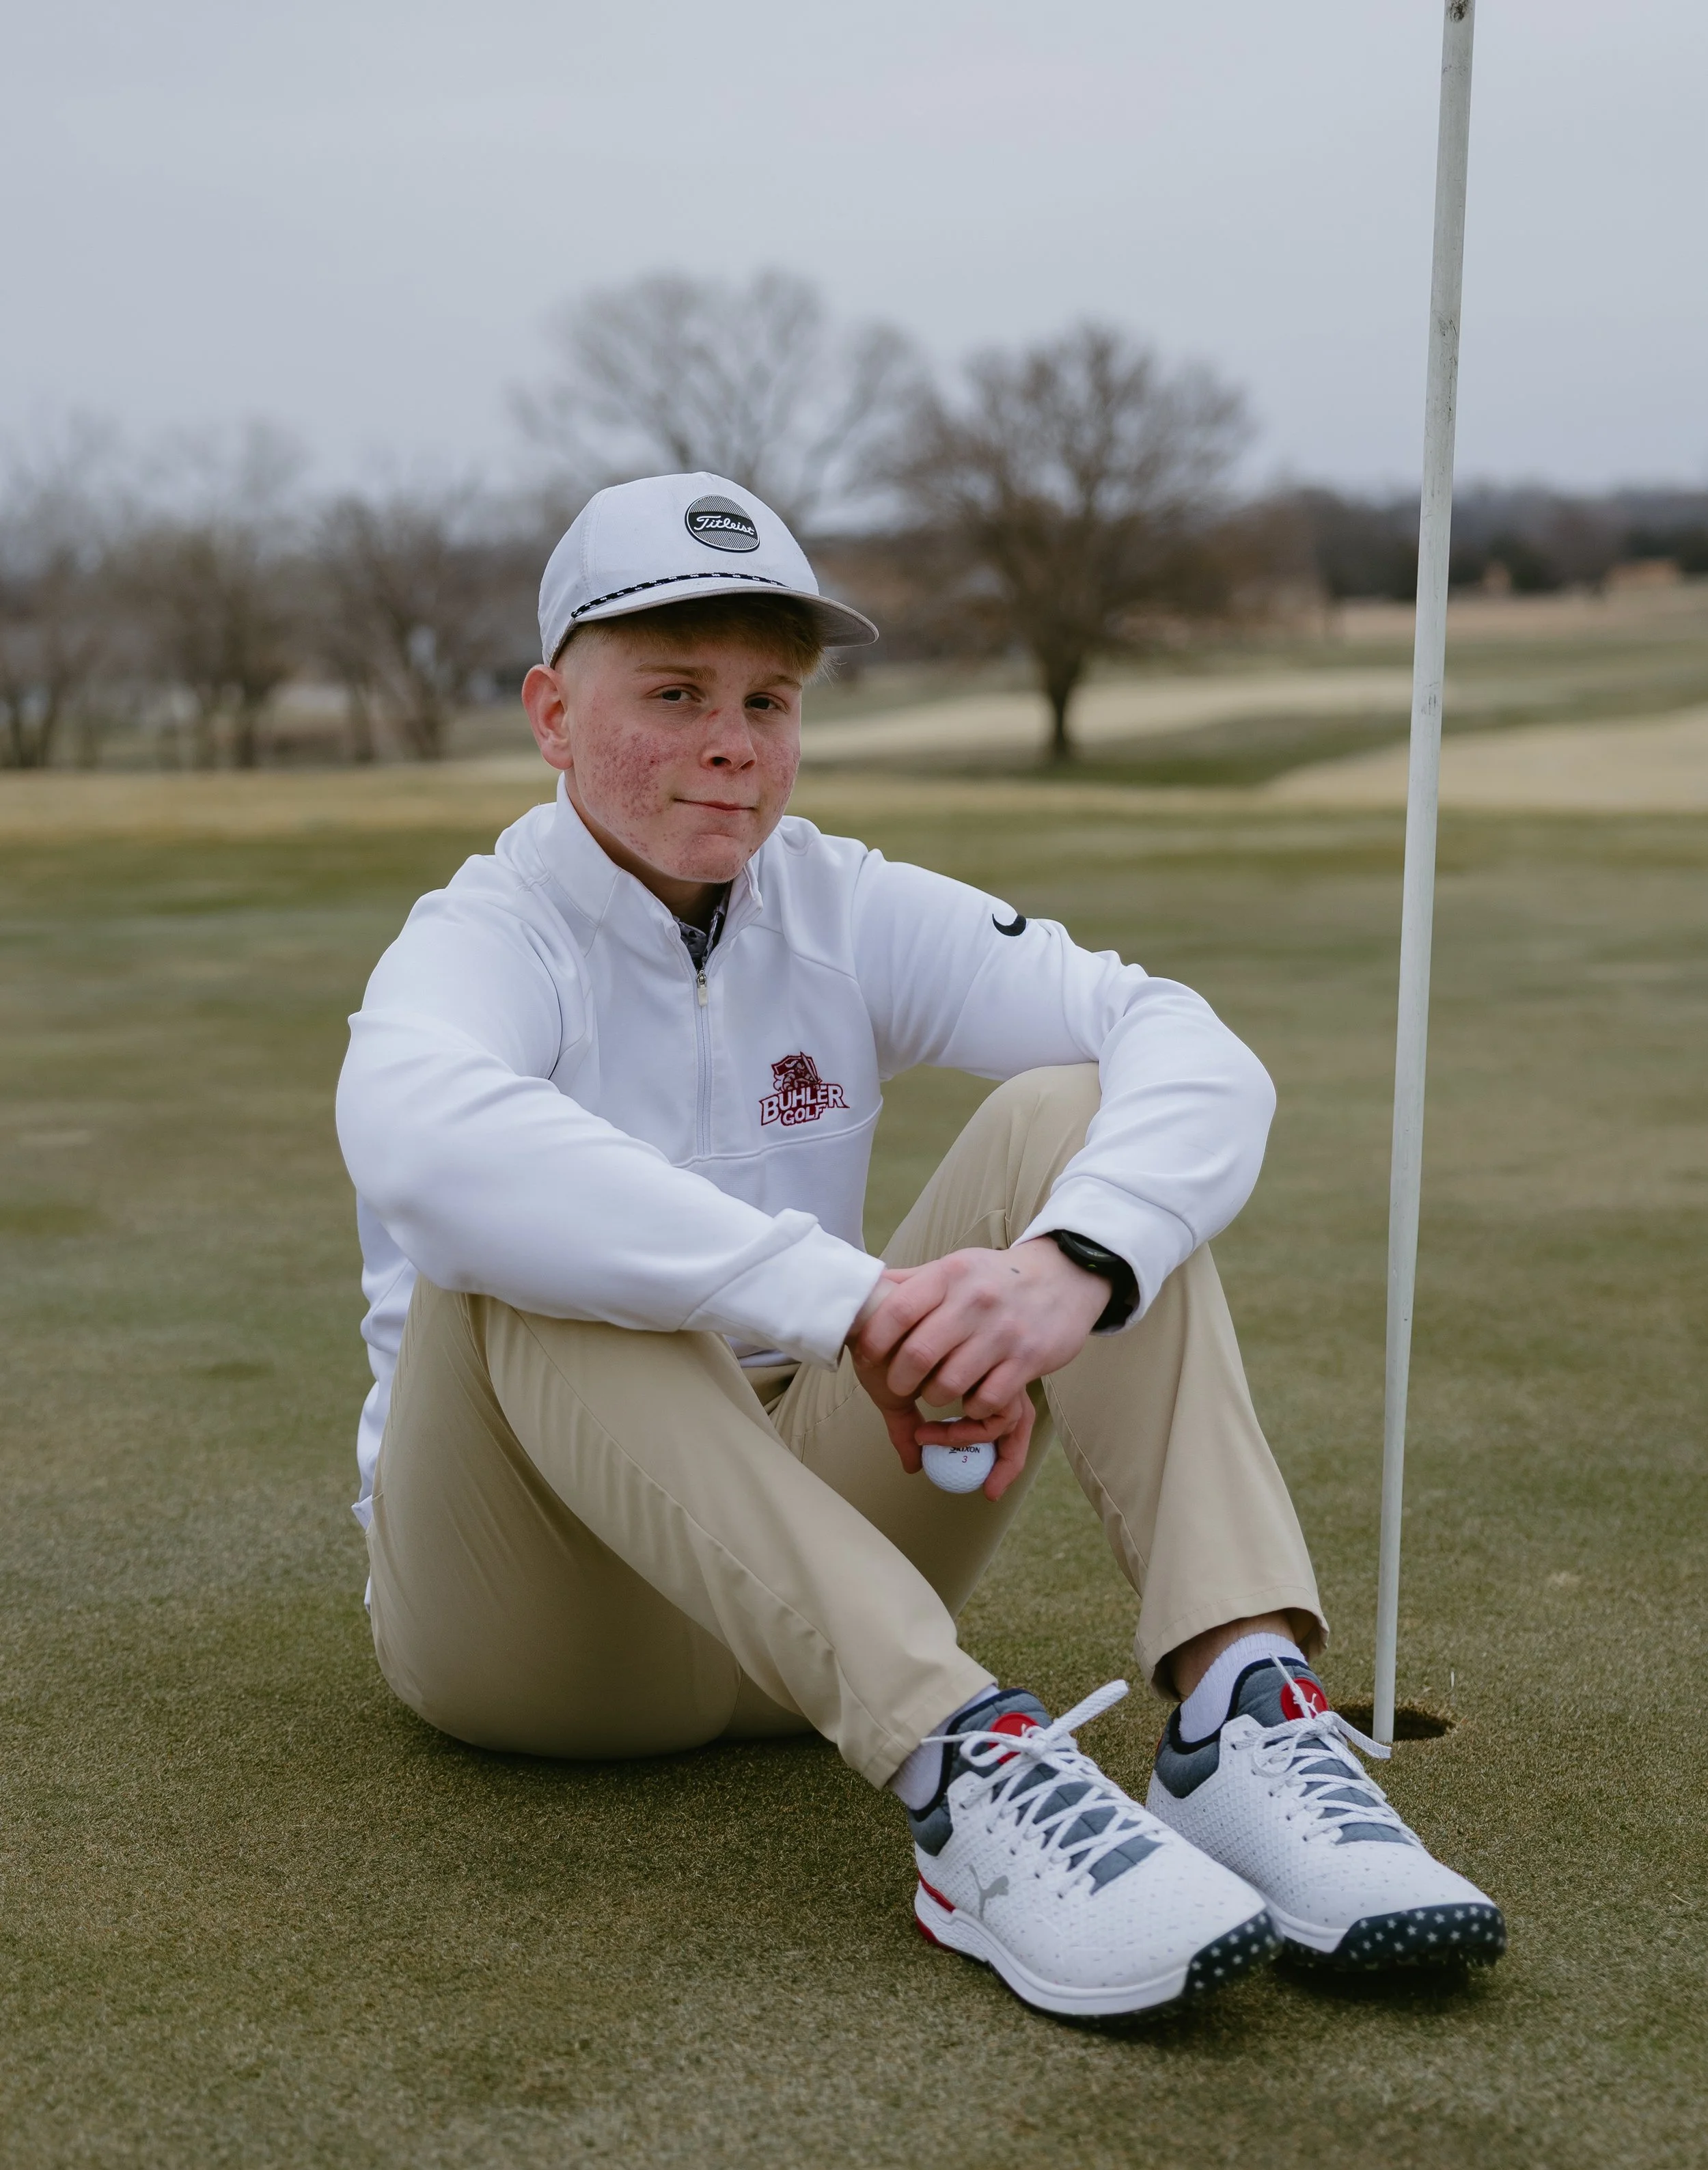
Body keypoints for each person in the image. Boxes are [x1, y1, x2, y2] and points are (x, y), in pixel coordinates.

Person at [336, 473, 1504, 2019]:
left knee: (1072, 1119)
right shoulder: (484, 934)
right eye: (672, 693)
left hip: (812, 1570)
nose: (731, 743)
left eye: (767, 696)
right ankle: (965, 1764)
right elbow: (429, 1141)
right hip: (542, 1635)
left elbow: (1176, 1038)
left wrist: (1064, 1268)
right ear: (553, 714)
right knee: (520, 1260)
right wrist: (851, 1302)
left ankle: (1233, 1711)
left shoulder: (836, 901)